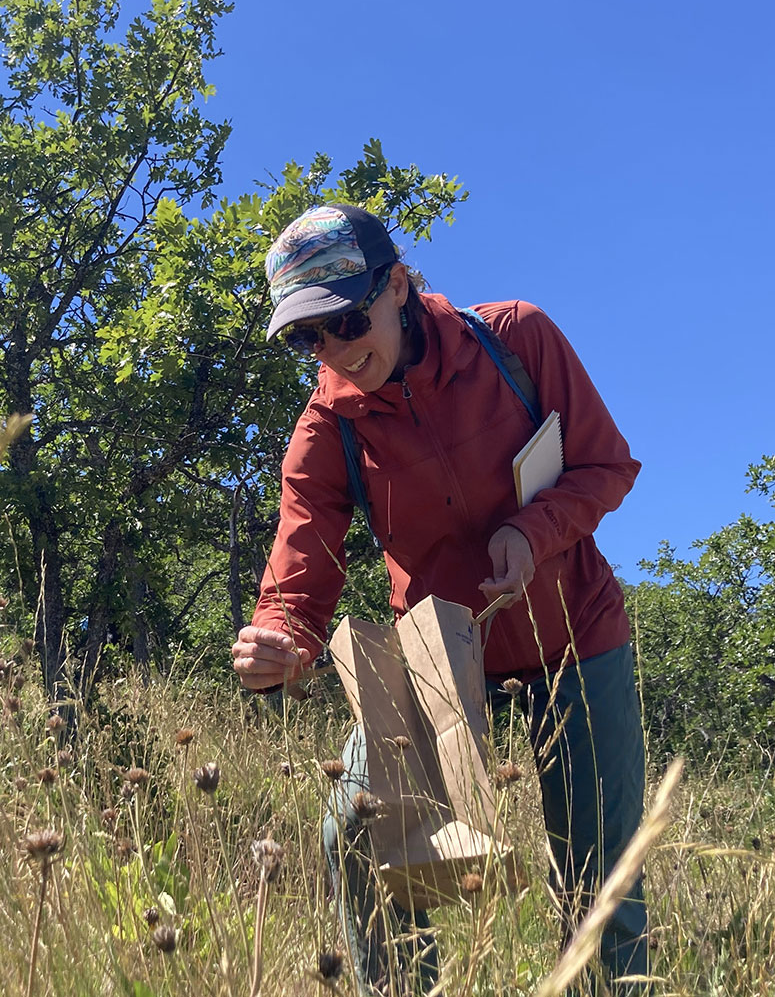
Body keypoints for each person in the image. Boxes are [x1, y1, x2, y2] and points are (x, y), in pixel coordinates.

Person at [232, 203, 647, 994]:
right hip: (438, 656)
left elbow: (606, 465)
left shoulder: (516, 339)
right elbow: (298, 577)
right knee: (354, 832)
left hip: (577, 635)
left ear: (395, 285)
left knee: (601, 885)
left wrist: (534, 531)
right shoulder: (326, 428)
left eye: (346, 320)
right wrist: (278, 639)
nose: (335, 350)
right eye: (306, 337)